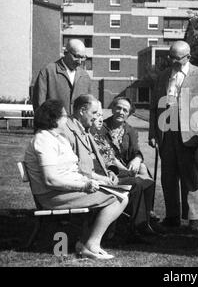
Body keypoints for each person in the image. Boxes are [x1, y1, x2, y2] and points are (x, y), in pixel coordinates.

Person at [24, 99, 128, 260]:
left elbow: (73, 170)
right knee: (119, 198)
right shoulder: (43, 140)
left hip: (65, 190)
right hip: (53, 195)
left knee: (120, 193)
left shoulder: (58, 138)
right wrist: (83, 186)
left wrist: (95, 181)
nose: (67, 120)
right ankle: (91, 244)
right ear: (54, 118)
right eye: (64, 116)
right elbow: (50, 180)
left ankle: (85, 242)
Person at [59, 94, 148, 242]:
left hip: (104, 175)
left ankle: (139, 225)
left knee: (142, 180)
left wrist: (112, 172)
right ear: (82, 111)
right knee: (136, 184)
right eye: (95, 114)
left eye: (99, 115)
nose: (97, 118)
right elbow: (84, 166)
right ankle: (133, 229)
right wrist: (106, 176)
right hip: (89, 182)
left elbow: (107, 158)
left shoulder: (127, 130)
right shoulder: (85, 131)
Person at [148, 40, 198, 228]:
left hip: (190, 134)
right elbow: (153, 107)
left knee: (190, 177)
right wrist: (153, 133)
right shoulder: (162, 76)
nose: (173, 62)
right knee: (168, 176)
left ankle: (192, 218)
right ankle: (172, 216)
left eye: (177, 59)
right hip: (166, 131)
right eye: (171, 57)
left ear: (188, 57)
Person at [92, 97, 157, 235]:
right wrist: (129, 171)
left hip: (125, 167)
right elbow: (109, 158)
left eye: (125, 110)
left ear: (129, 114)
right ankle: (140, 224)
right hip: (110, 169)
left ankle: (147, 216)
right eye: (118, 108)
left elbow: (136, 152)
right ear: (112, 108)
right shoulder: (100, 127)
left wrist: (137, 160)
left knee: (147, 176)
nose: (121, 112)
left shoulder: (130, 130)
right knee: (139, 181)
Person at [32, 39, 93, 114]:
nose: (80, 62)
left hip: (76, 125)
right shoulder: (47, 72)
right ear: (66, 52)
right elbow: (39, 105)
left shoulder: (85, 76)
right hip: (53, 124)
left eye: (83, 57)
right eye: (77, 56)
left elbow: (89, 106)